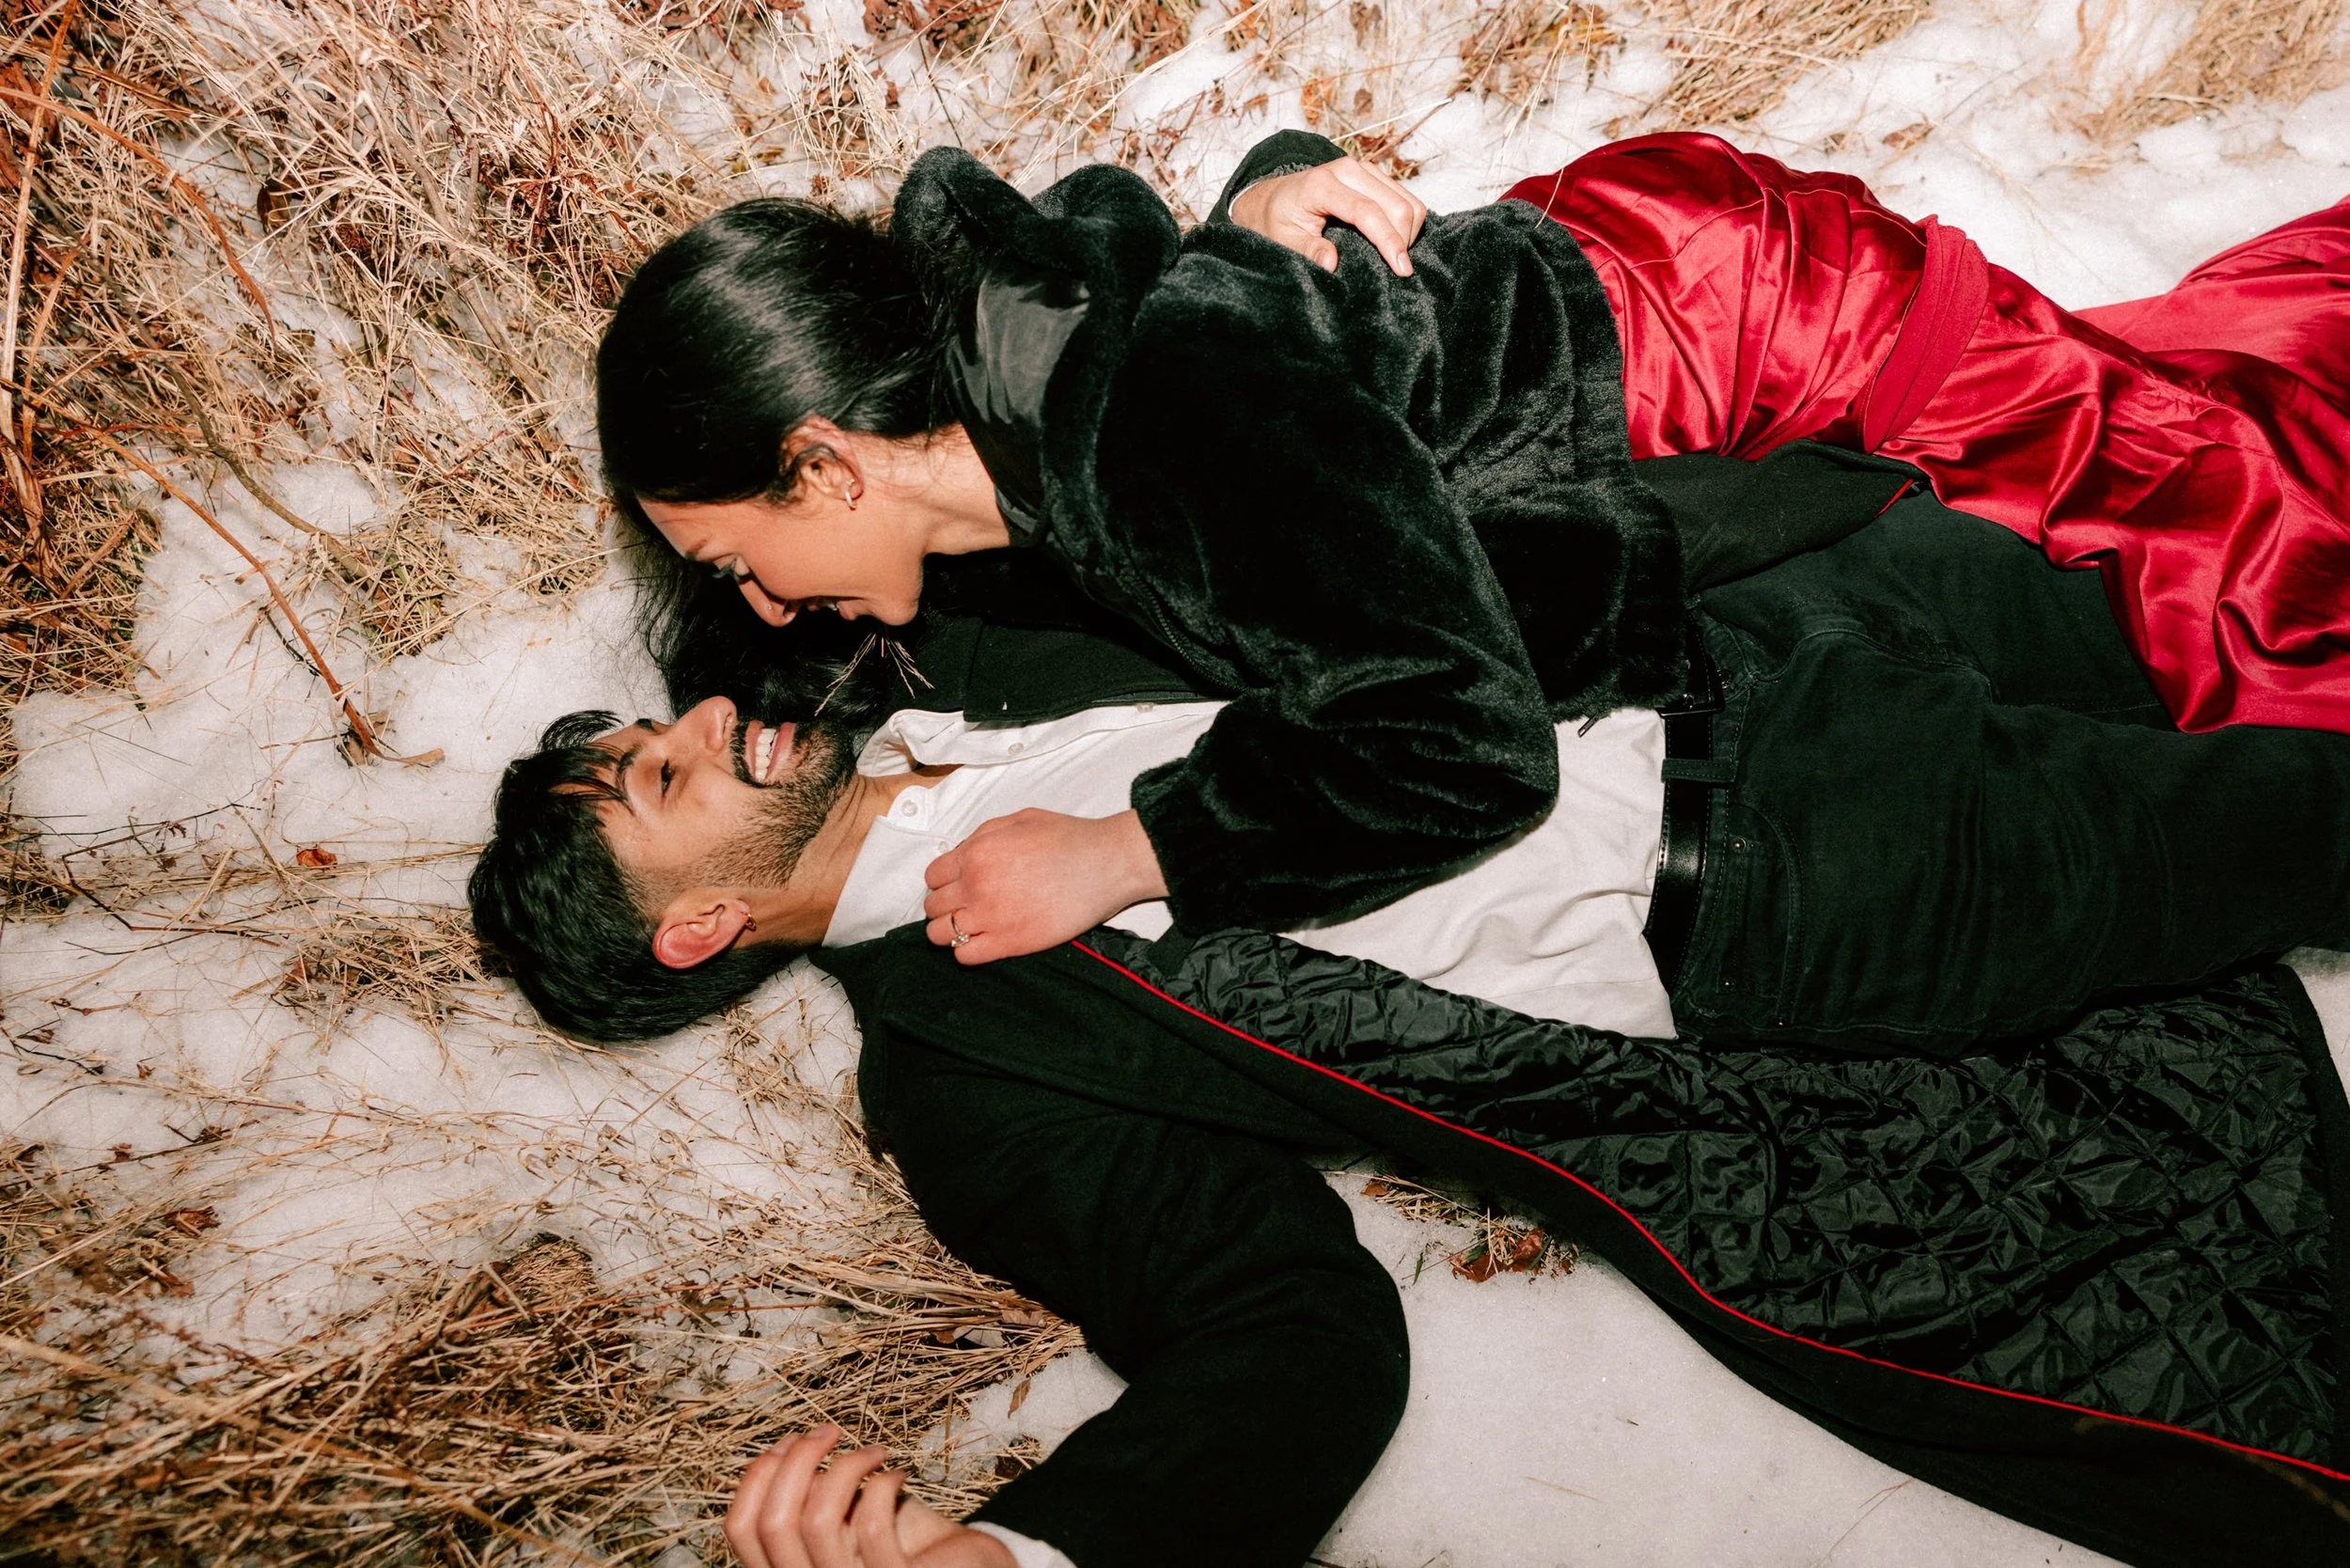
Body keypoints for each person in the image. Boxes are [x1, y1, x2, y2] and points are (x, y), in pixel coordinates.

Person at [471, 486, 2350, 1568]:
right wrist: (1020, 1553)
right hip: (1787, 893)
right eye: (663, 777)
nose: (705, 726)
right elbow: (1281, 1340)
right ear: (702, 928)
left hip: (1794, 618)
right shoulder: (972, 1073)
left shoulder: (962, 641)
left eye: (662, 724)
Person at [593, 128, 2350, 975]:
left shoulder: (1140, 457)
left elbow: (1461, 748)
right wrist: (1268, 199)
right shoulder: (1014, 390)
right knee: (2200, 444)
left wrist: (1128, 845)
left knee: (2249, 569)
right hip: (1647, 282)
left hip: (1746, 338)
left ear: (826, 464)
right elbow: (1232, 328)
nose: (757, 605)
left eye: (733, 552)